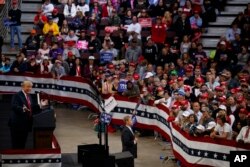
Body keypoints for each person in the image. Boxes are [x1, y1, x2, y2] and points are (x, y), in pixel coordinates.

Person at [9, 81, 40, 149]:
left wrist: (41, 105)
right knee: (16, 143)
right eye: (28, 86)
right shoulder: (17, 95)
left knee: (23, 143)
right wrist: (22, 109)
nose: (29, 88)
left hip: (26, 123)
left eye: (31, 87)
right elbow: (14, 106)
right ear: (22, 87)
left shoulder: (29, 96)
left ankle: (21, 156)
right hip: (17, 123)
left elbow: (31, 107)